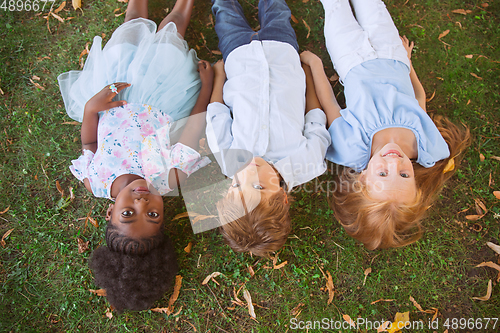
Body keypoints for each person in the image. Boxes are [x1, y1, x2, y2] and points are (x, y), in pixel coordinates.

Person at [57, 0, 214, 311]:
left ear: (109, 213)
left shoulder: (95, 181)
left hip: (113, 92)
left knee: (129, 29)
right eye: (153, 215)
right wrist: (206, 87)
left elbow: (89, 142)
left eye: (128, 214)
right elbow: (193, 127)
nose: (142, 203)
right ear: (164, 217)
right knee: (172, 30)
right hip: (162, 93)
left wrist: (91, 108)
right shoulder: (170, 177)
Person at [300, 0, 470, 250]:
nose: (395, 162)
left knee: (335, 7)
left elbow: (330, 105)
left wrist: (315, 65)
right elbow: (418, 99)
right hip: (393, 55)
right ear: (415, 182)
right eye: (404, 175)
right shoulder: (423, 146)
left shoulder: (352, 147)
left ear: (362, 180)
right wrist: (408, 63)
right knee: (372, 5)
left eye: (383, 173)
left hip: (350, 58)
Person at [207, 0, 331, 257]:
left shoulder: (229, 160)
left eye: (238, 187)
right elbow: (315, 117)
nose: (250, 174)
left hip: (238, 56)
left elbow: (217, 114)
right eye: (260, 187)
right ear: (284, 198)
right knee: (276, 8)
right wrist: (306, 73)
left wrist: (219, 76)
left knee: (224, 11)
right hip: (282, 52)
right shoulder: (308, 163)